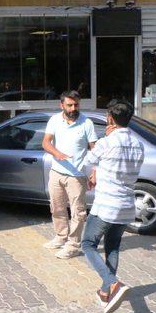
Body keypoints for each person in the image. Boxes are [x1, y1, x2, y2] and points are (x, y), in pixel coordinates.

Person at [81, 100, 144, 313]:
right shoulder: (138, 144)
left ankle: (113, 282)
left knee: (88, 244)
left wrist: (105, 138)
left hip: (107, 204)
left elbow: (87, 159)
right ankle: (106, 293)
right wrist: (100, 172)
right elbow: (117, 167)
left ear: (110, 118)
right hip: (127, 205)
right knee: (113, 247)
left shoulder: (108, 141)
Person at [42, 90, 97, 259]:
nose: (73, 108)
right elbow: (46, 142)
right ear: (62, 105)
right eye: (70, 105)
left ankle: (73, 245)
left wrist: (94, 172)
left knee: (78, 212)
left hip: (77, 176)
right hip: (56, 172)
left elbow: (95, 149)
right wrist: (57, 153)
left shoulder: (86, 123)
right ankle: (61, 237)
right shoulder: (54, 120)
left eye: (76, 105)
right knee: (57, 207)